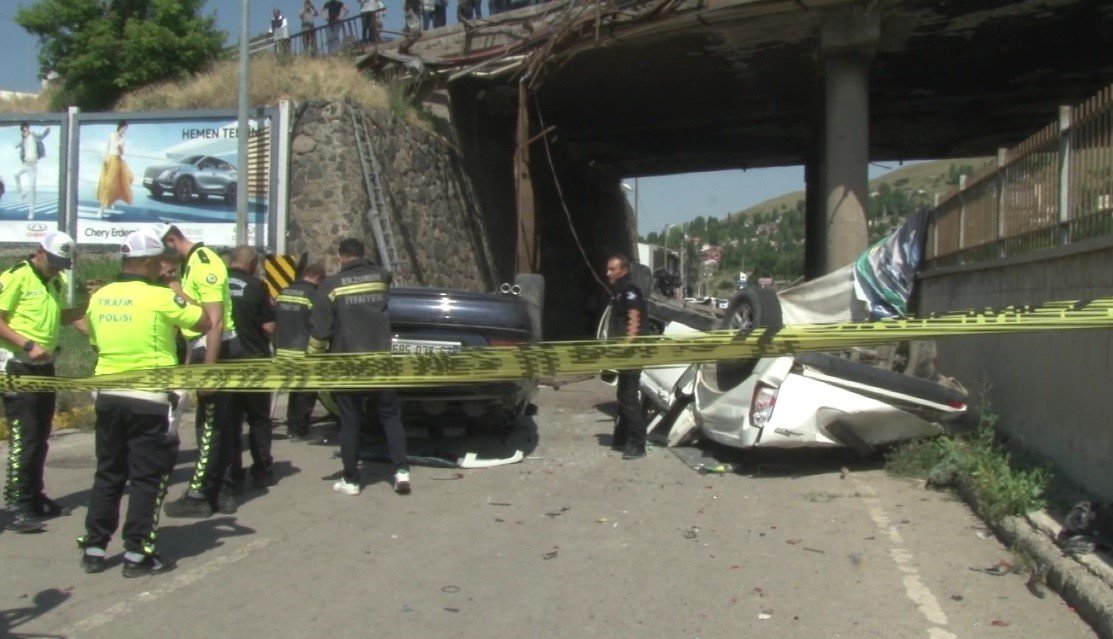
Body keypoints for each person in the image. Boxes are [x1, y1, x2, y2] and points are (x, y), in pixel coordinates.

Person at [78, 229, 210, 577]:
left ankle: (94, 548)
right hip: (149, 399)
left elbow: (94, 340)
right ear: (151, 263)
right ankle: (137, 553)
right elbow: (204, 321)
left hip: (109, 394)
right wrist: (175, 287)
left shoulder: (100, 297)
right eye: (161, 263)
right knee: (147, 477)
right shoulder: (160, 296)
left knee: (108, 472)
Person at [309, 238, 410, 496]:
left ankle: (352, 480)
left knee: (350, 420)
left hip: (348, 363)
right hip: (380, 360)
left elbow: (321, 330)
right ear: (363, 254)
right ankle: (401, 472)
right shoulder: (381, 277)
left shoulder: (331, 286)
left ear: (341, 257)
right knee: (390, 416)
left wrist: (313, 359)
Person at [0, 232, 86, 533]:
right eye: (55, 261)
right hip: (18, 365)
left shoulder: (55, 281)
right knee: (24, 436)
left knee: (40, 433)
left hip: (44, 366)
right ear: (40, 251)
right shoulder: (16, 277)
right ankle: (17, 505)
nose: (58, 268)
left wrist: (92, 305)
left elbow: (60, 316)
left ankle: (34, 495)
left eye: (63, 263)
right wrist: (26, 344)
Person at [158, 224, 243, 519]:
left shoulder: (204, 263)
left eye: (162, 256)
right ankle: (223, 490)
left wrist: (208, 368)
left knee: (209, 426)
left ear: (172, 240)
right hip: (206, 347)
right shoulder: (193, 263)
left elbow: (214, 321)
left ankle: (198, 494)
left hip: (214, 348)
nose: (162, 265)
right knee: (221, 424)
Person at [226, 246, 278, 490]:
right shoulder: (257, 286)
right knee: (259, 419)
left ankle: (233, 476)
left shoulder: (215, 284)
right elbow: (269, 327)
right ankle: (262, 471)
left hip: (225, 363)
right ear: (252, 263)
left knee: (230, 422)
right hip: (255, 361)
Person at [274, 262, 327, 441]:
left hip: (282, 350)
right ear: (318, 278)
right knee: (306, 391)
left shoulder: (283, 292)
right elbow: (319, 325)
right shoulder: (314, 295)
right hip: (304, 351)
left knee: (293, 390)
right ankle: (299, 429)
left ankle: (292, 425)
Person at [604, 254, 648, 460]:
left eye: (612, 269)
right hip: (623, 354)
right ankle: (622, 438)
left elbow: (634, 318)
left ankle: (638, 444)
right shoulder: (620, 292)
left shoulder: (630, 291)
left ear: (624, 270)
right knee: (623, 396)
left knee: (629, 398)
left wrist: (627, 344)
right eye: (608, 269)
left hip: (632, 354)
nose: (608, 273)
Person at [13, 122, 50, 221]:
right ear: (22, 131)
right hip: (25, 164)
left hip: (33, 166)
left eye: (26, 130)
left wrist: (47, 130)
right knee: (16, 175)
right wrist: (17, 145)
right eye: (23, 131)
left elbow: (42, 135)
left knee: (32, 187)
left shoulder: (34, 136)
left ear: (28, 129)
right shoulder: (23, 139)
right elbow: (20, 144)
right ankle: (22, 193)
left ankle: (31, 211)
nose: (25, 132)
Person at [96, 121, 132, 219]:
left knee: (117, 183)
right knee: (107, 185)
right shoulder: (112, 135)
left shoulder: (123, 139)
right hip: (110, 160)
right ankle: (101, 210)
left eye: (126, 129)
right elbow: (107, 148)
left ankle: (112, 200)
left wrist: (120, 148)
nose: (125, 131)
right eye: (124, 128)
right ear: (120, 127)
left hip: (118, 161)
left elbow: (122, 152)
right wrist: (105, 159)